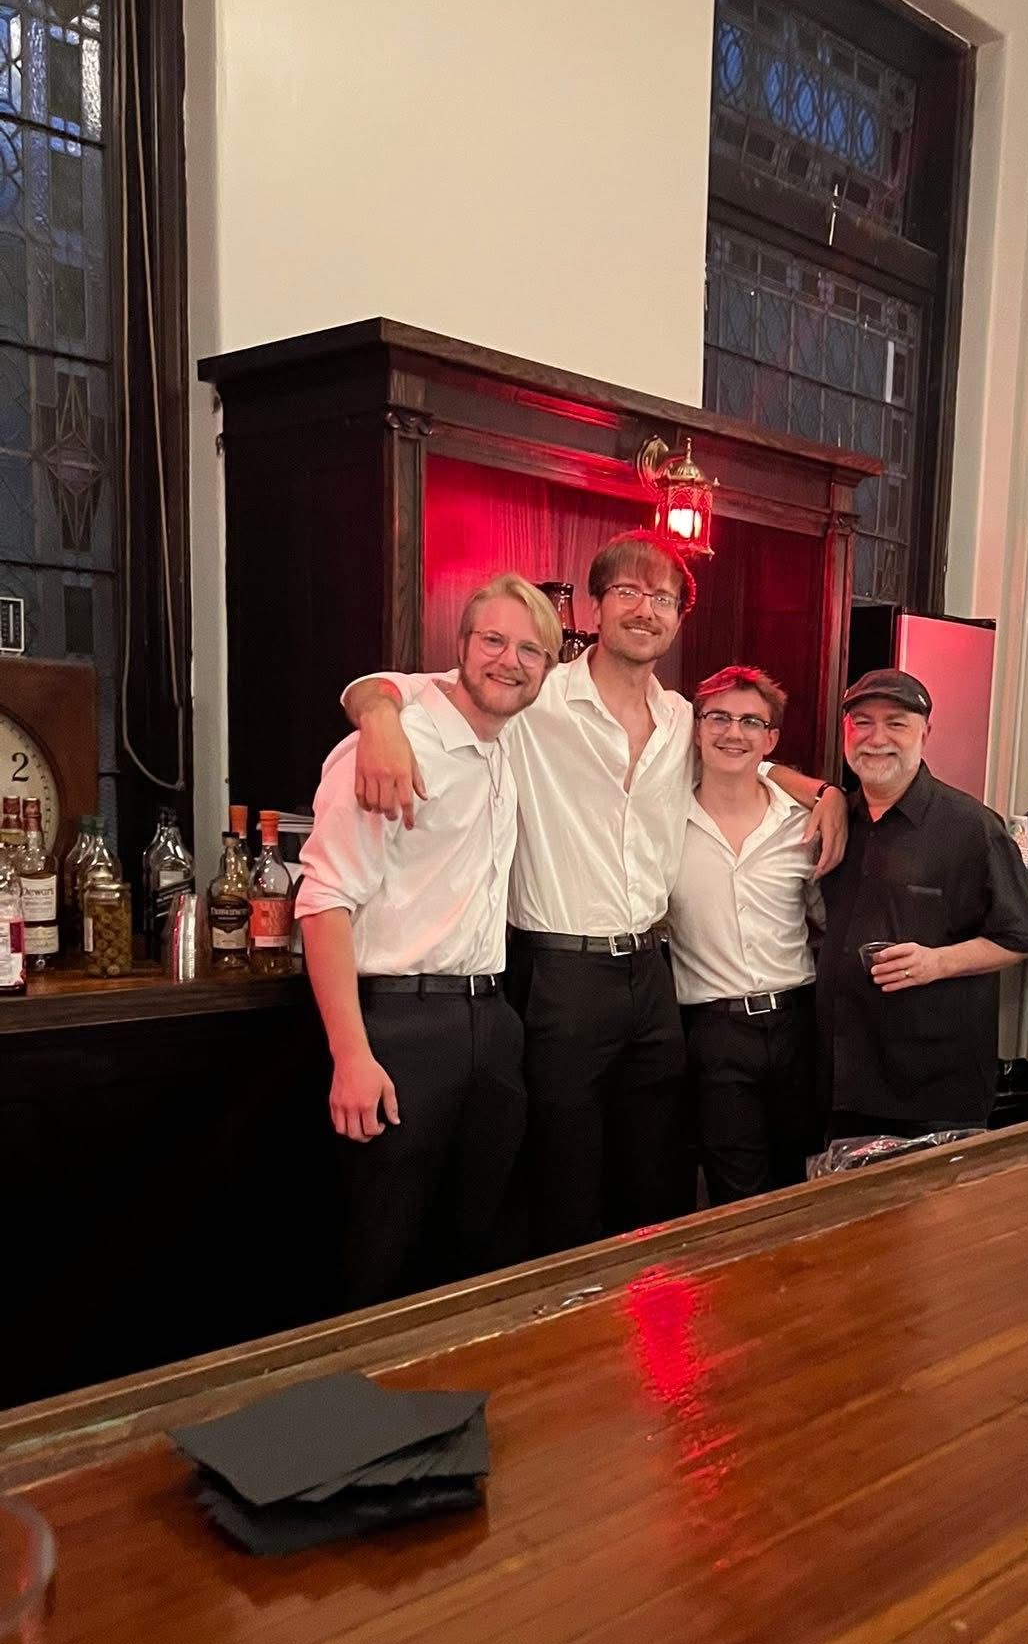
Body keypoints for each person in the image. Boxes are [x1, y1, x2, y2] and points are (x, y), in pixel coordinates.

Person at [340, 529, 847, 1251]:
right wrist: (379, 719)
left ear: (678, 619)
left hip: (653, 973)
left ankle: (643, 1352)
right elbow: (395, 688)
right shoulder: (535, 696)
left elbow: (745, 760)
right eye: (630, 592)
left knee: (657, 1181)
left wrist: (820, 788)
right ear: (598, 606)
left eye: (663, 598)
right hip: (561, 974)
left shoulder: (681, 718)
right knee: (563, 1179)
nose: (646, 610)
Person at [297, 574, 560, 1306]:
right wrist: (351, 1055)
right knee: (380, 1251)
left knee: (474, 1250)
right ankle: (361, 1414)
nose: (509, 661)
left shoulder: (508, 743)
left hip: (491, 1021)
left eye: (530, 650)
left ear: (549, 666)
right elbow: (322, 902)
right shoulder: (387, 746)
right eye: (494, 641)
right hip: (401, 1026)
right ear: (461, 648)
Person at [818, 668, 1028, 1139]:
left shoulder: (972, 827)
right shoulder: (839, 820)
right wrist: (822, 795)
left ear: (926, 731)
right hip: (835, 1083)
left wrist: (936, 963)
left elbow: (1024, 937)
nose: (876, 737)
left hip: (932, 1092)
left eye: (896, 723)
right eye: (861, 722)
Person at [669, 665, 820, 1204]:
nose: (734, 733)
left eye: (751, 722)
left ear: (770, 739)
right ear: (696, 727)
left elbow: (826, 915)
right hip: (714, 1032)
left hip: (798, 1023)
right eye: (719, 718)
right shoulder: (663, 821)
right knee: (736, 1195)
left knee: (801, 1185)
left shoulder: (802, 826)